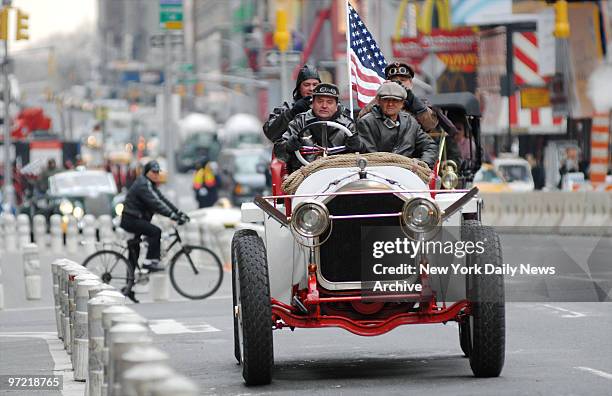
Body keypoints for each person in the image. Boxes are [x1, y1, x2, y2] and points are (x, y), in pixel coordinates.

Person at [120, 160, 189, 301]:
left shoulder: (149, 184)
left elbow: (162, 199)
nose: (156, 175)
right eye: (154, 172)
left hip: (135, 219)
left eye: (158, 172)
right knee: (155, 232)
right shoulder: (143, 185)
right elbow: (156, 204)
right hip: (132, 220)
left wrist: (178, 212)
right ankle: (150, 262)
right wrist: (172, 216)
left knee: (134, 252)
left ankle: (129, 287)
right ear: (147, 172)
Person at [274, 83, 361, 173]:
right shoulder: (299, 122)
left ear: (336, 105)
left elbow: (363, 156)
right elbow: (279, 152)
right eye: (320, 101)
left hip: (340, 174)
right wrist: (288, 146)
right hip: (304, 173)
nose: (324, 106)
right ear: (313, 103)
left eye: (329, 102)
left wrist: (358, 146)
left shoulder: (347, 124)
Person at [356, 81, 438, 169]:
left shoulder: (410, 121)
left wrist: (422, 163)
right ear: (379, 101)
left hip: (409, 174)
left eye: (395, 100)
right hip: (378, 175)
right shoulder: (366, 122)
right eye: (386, 100)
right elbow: (370, 156)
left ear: (402, 103)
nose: (390, 104)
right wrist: (403, 164)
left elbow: (430, 146)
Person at [359, 62, 438, 133]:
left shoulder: (421, 104)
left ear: (411, 83)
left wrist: (411, 98)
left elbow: (430, 125)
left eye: (402, 80)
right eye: (394, 81)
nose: (399, 84)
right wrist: (380, 96)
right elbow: (361, 121)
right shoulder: (381, 103)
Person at [263, 64, 321, 142]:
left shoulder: (332, 108)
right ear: (299, 88)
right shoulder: (286, 110)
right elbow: (271, 133)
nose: (311, 88)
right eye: (306, 85)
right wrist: (292, 113)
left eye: (315, 85)